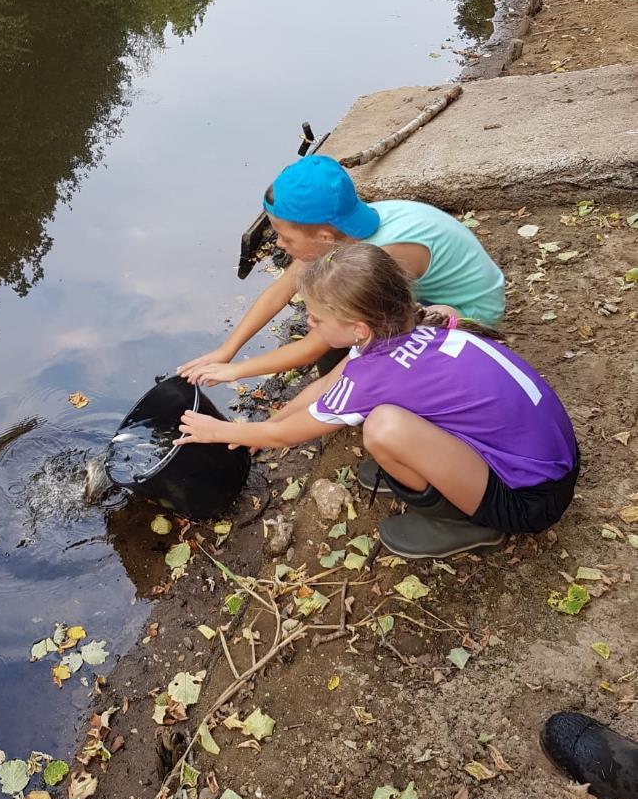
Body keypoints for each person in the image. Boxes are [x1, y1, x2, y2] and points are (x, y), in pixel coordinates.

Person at [174, 242, 578, 559]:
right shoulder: (413, 324)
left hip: (530, 499)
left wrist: (219, 430)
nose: (309, 325)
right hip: (548, 459)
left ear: (358, 328)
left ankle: (466, 524)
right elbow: (326, 387)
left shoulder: (374, 375)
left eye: (316, 318)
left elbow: (282, 437)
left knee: (384, 428)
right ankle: (436, 479)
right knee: (389, 421)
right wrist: (267, 421)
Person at [177, 152, 507, 494]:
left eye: (285, 238)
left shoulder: (381, 257)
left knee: (346, 341)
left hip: (469, 315)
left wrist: (236, 374)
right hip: (422, 301)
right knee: (335, 332)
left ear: (323, 238)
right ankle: (353, 392)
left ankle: (412, 425)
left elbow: (311, 348)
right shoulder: (342, 232)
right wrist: (227, 350)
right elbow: (279, 291)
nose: (278, 244)